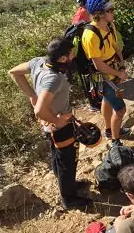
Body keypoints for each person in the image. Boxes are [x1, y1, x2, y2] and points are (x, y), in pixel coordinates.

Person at [8, 38, 92, 210]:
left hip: (49, 124)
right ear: (62, 59)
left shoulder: (39, 62)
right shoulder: (53, 78)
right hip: (59, 124)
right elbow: (39, 110)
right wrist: (58, 120)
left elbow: (14, 72)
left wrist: (32, 95)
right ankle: (69, 198)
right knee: (67, 159)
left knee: (57, 154)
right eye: (71, 53)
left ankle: (67, 183)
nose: (73, 55)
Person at [81, 0, 130, 145]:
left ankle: (109, 130)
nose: (113, 12)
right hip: (102, 76)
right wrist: (119, 73)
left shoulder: (109, 25)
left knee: (107, 101)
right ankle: (116, 141)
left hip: (113, 68)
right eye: (110, 10)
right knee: (121, 109)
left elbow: (115, 45)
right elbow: (99, 65)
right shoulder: (90, 36)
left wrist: (121, 63)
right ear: (100, 14)